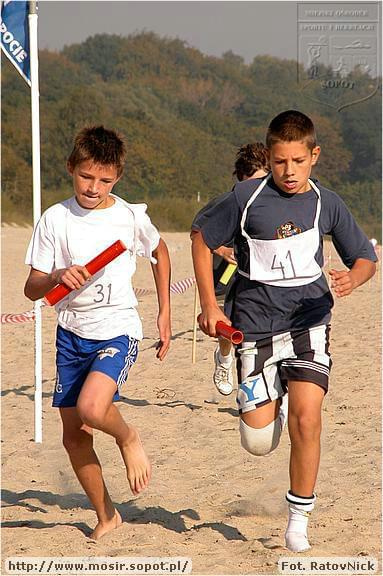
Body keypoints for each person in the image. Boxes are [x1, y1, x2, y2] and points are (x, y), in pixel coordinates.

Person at [191, 110, 377, 552]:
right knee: (257, 441)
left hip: (309, 325)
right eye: (279, 162)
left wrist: (357, 277)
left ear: (314, 156)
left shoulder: (327, 202)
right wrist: (209, 305)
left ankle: (298, 520)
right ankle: (264, 403)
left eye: (298, 161)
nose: (289, 171)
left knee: (308, 417)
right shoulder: (245, 197)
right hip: (254, 328)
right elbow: (199, 236)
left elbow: (365, 258)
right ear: (269, 157)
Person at [24, 125, 171, 540]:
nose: (94, 187)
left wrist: (164, 312)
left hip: (117, 329)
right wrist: (56, 276)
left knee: (92, 408)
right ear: (71, 168)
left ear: (117, 178)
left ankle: (128, 437)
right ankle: (107, 515)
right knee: (75, 437)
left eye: (105, 180)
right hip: (71, 334)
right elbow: (33, 289)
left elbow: (159, 252)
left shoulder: (128, 217)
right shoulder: (55, 218)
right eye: (86, 176)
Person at [193, 143, 270, 395]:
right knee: (226, 322)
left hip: (262, 277)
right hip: (228, 271)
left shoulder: (276, 199)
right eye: (250, 183)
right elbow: (197, 233)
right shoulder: (231, 199)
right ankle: (224, 358)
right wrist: (223, 251)